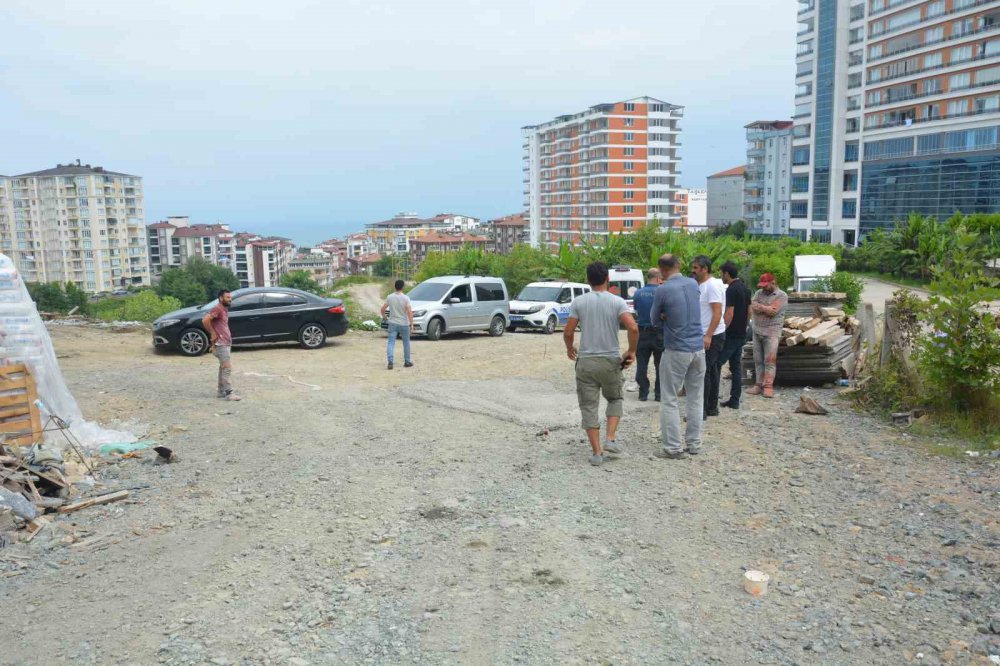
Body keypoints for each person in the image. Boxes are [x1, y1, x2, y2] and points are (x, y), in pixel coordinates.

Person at [564, 261, 639, 466]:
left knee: (589, 406)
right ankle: (610, 439)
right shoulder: (617, 302)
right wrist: (631, 351)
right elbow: (633, 328)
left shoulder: (578, 302)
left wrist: (569, 348)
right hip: (610, 361)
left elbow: (569, 331)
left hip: (586, 361)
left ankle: (597, 453)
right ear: (608, 278)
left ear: (588, 280)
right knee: (615, 398)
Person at [649, 254, 705, 459]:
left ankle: (673, 447)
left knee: (670, 398)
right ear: (679, 265)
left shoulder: (662, 289)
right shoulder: (692, 283)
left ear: (661, 270)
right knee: (695, 397)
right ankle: (694, 444)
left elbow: (654, 320)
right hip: (698, 349)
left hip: (676, 349)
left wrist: (665, 316)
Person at [691, 255, 726, 419]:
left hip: (712, 334)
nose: (693, 271)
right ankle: (712, 407)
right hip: (705, 333)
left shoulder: (712, 286)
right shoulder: (702, 285)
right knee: (711, 371)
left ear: (705, 269)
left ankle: (702, 411)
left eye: (696, 268)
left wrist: (708, 335)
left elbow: (717, 313)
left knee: (703, 372)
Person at [748, 272, 788, 398]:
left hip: (772, 332)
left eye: (766, 285)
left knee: (769, 361)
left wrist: (759, 307)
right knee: (758, 359)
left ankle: (768, 386)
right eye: (762, 285)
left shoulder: (781, 296)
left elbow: (772, 312)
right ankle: (758, 385)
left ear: (773, 282)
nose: (763, 288)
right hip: (757, 331)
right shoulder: (758, 293)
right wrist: (765, 308)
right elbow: (751, 305)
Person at [719, 261, 751, 409]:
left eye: (721, 273)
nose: (721, 276)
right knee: (736, 367)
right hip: (741, 333)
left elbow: (729, 313)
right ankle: (734, 400)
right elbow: (749, 311)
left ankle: (711, 397)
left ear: (726, 273)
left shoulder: (731, 290)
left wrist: (722, 329)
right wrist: (744, 326)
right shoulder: (745, 289)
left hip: (731, 334)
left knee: (716, 363)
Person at [203, 289, 242, 401]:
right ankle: (229, 393)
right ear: (221, 298)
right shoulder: (218, 308)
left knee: (222, 367)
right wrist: (212, 332)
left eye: (230, 297)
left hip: (225, 342)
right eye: (227, 297)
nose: (230, 299)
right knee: (227, 368)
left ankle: (221, 392)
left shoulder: (224, 309)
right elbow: (205, 320)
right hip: (221, 343)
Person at [632, 268, 664, 402]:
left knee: (642, 364)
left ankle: (643, 392)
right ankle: (658, 394)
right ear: (657, 278)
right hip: (659, 333)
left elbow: (636, 311)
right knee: (660, 365)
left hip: (642, 332)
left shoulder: (638, 293)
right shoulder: (662, 292)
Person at [381, 279, 414, 370]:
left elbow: (383, 309)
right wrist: (411, 324)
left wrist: (385, 317)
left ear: (395, 287)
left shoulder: (390, 297)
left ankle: (390, 361)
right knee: (406, 343)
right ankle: (407, 361)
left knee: (391, 342)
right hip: (404, 323)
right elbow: (409, 312)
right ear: (403, 287)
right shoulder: (406, 298)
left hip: (392, 323)